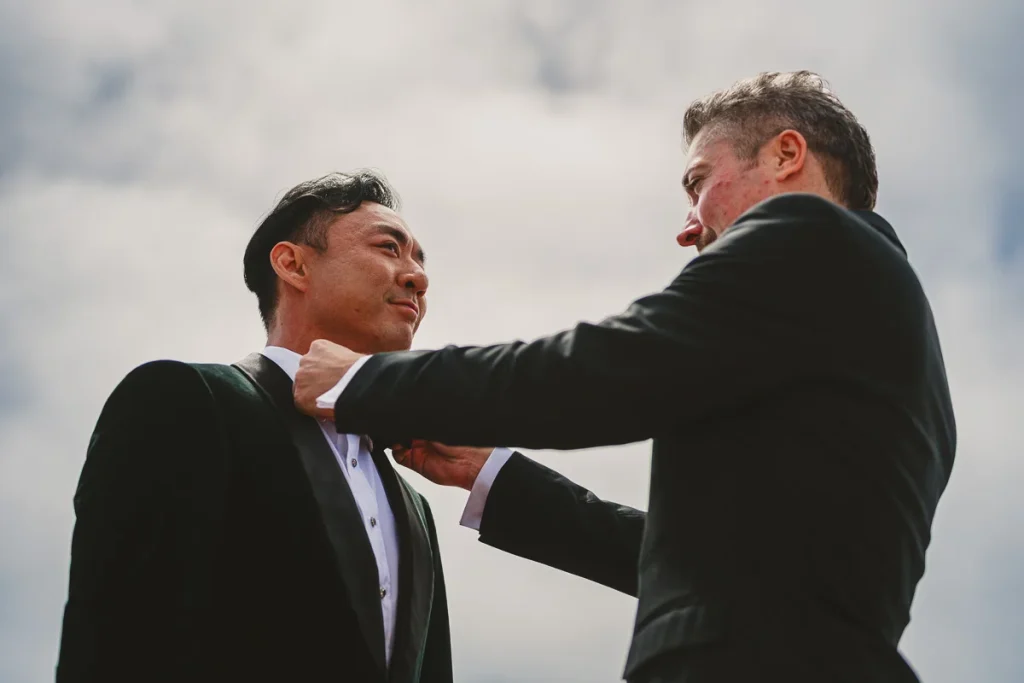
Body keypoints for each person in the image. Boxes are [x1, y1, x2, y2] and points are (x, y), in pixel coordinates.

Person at [292, 72, 957, 683]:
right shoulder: (896, 344)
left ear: (787, 155)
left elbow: (600, 370)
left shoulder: (806, 235)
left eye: (699, 183)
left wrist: (367, 383)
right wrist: (489, 474)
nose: (688, 226)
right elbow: (712, 570)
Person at [56, 171, 456, 683]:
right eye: (388, 248)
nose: (417, 277)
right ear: (293, 264)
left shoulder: (416, 508)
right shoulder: (185, 402)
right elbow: (116, 640)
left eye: (421, 262)